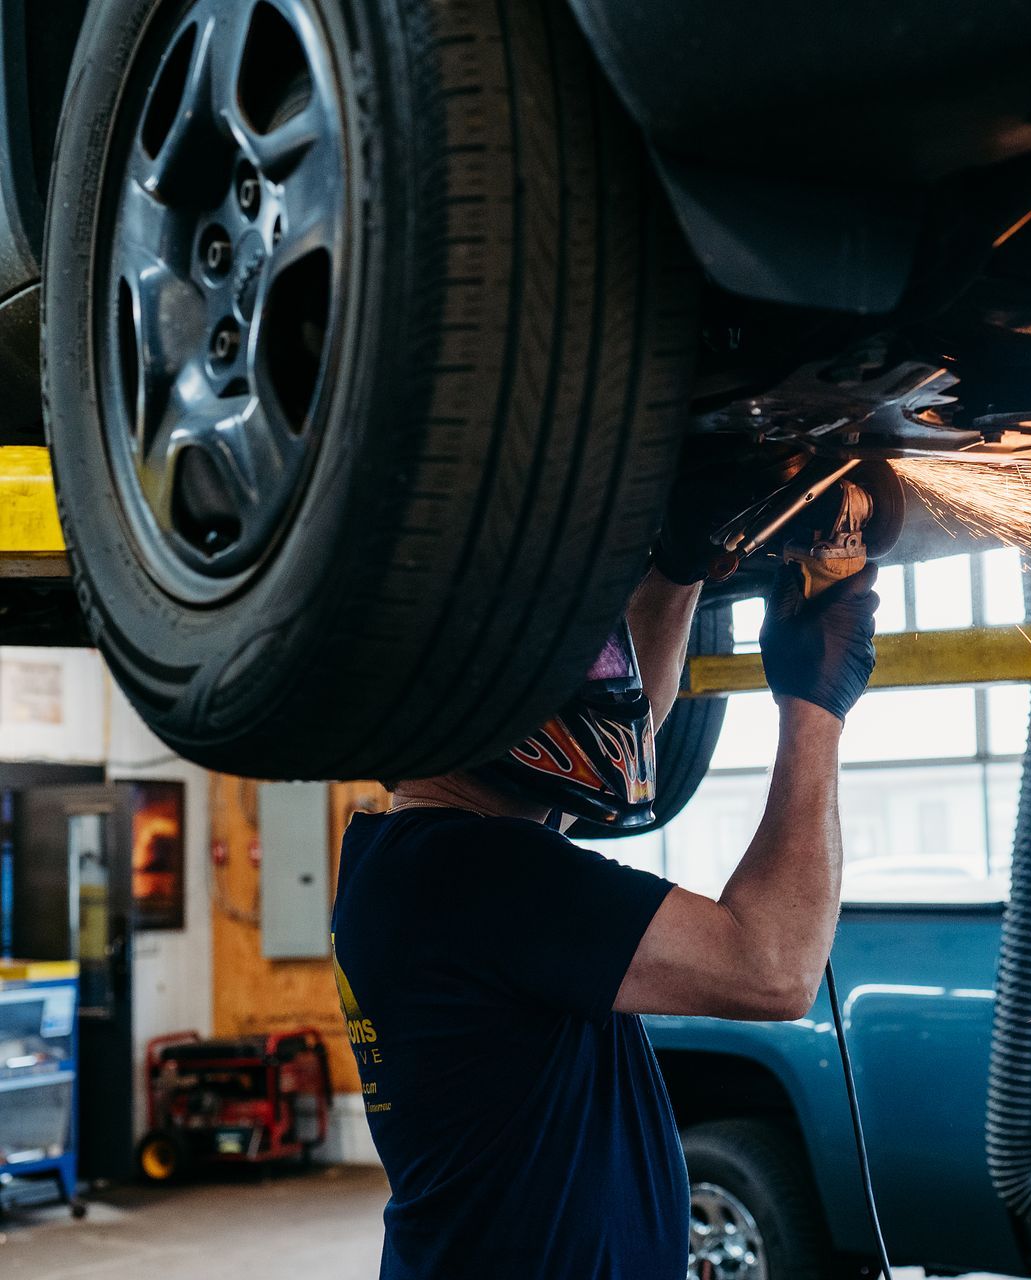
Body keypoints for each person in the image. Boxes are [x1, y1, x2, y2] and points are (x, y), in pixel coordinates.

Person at [330, 467, 881, 1280]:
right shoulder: (477, 873)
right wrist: (817, 709)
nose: (605, 684)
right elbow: (772, 968)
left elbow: (620, 747)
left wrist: (678, 570)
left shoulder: (410, 862)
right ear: (485, 701)